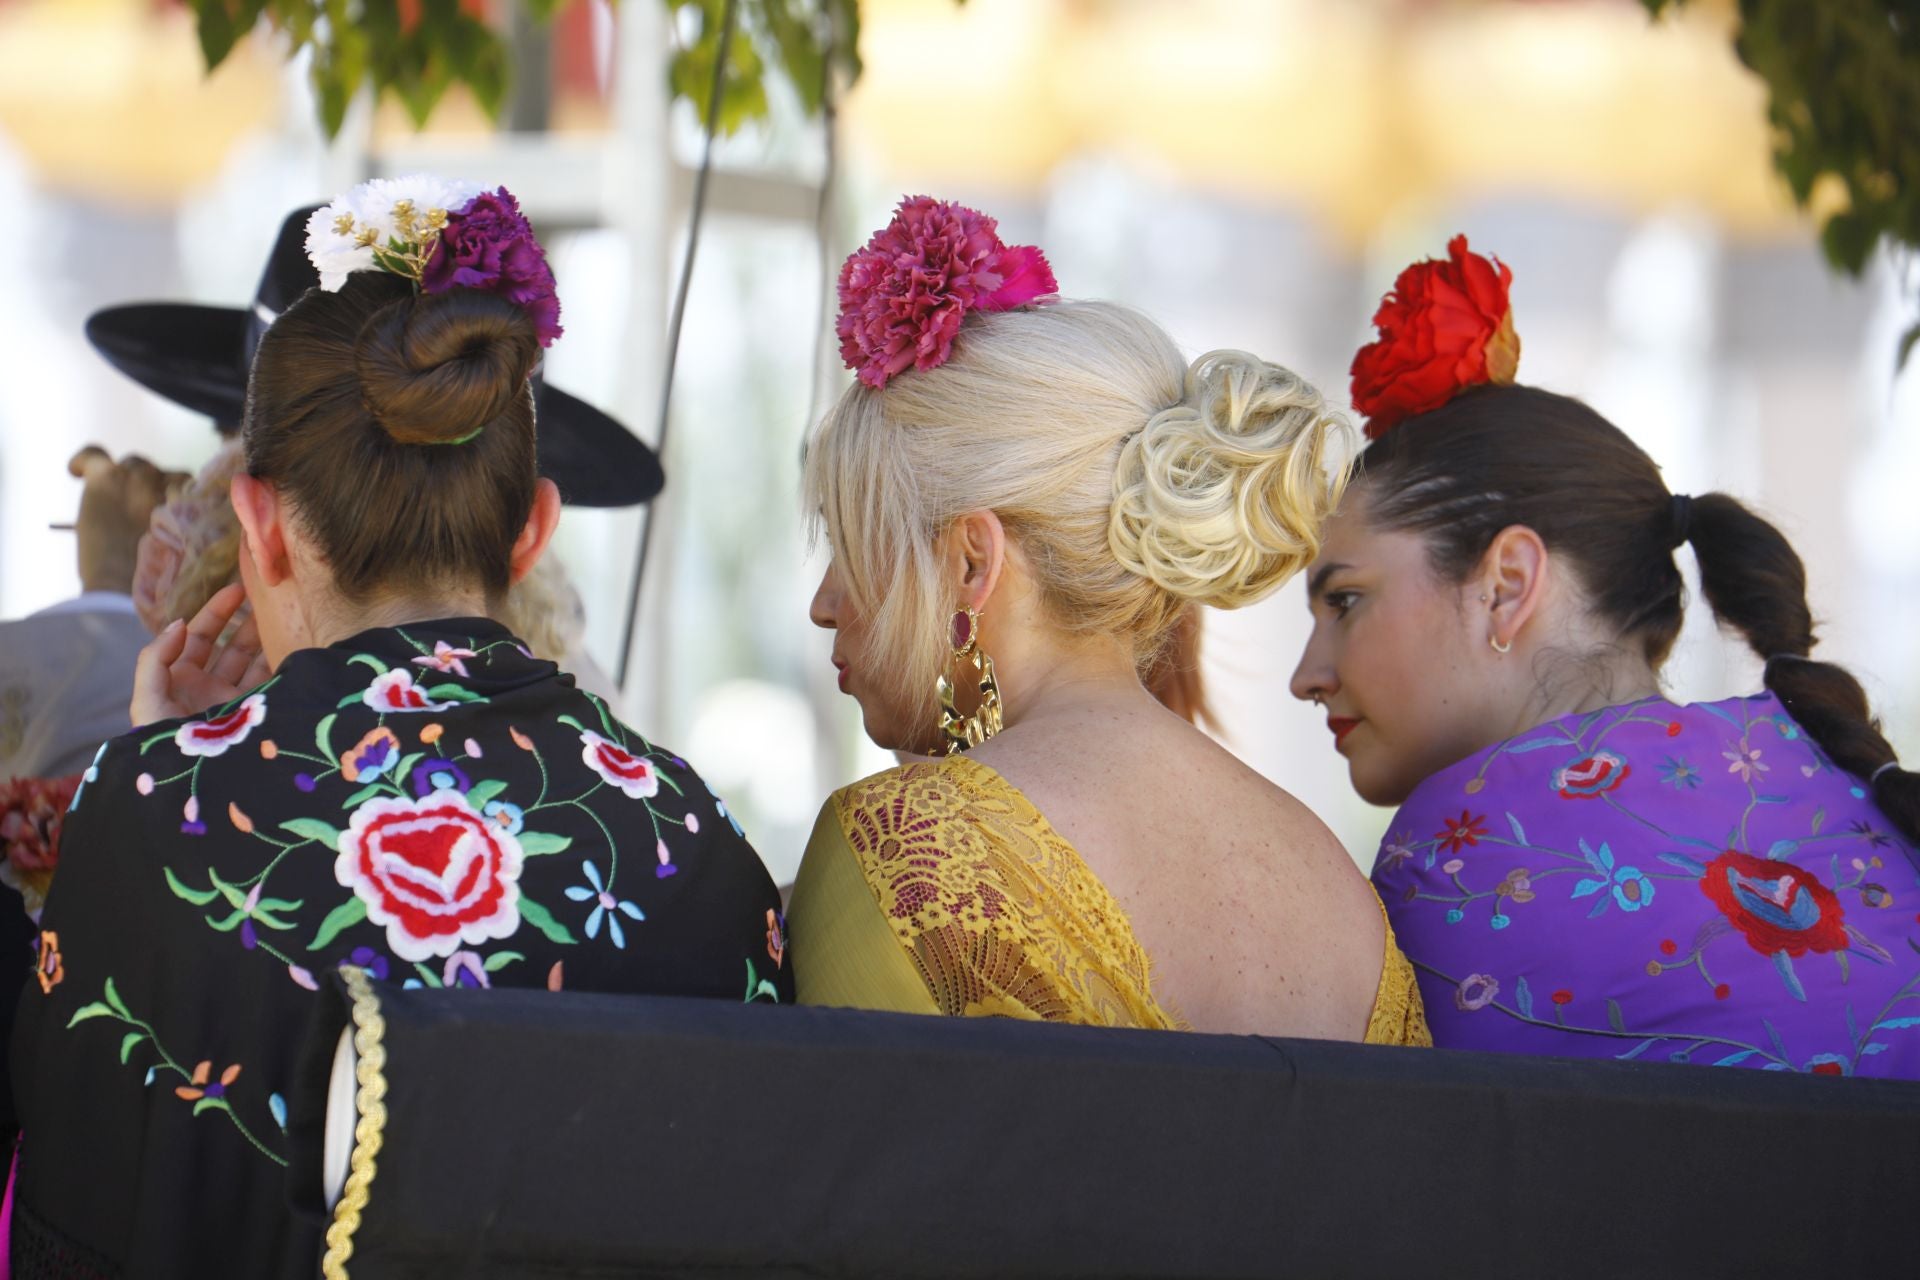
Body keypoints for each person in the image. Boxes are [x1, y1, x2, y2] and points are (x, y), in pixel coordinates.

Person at [9, 176, 790, 1277]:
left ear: (260, 527)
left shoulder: (150, 819)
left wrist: (157, 771)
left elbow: (71, 1223)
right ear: (532, 535)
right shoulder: (693, 840)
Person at [787, 196, 1427, 1044]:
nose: (825, 602)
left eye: (855, 541)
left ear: (972, 562)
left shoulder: (902, 852)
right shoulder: (1347, 896)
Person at [1290, 235, 1920, 1076]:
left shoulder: (1455, 852)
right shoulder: (1830, 776)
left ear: (1506, 585)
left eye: (1345, 602)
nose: (1308, 674)